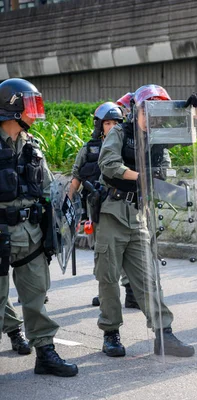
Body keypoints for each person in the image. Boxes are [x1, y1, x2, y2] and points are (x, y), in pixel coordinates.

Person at [96, 84, 197, 358]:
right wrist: (140, 176)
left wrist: (193, 113)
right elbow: (108, 164)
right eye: (149, 107)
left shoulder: (158, 137)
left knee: (149, 278)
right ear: (138, 109)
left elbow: (169, 164)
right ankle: (111, 334)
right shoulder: (120, 132)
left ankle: (163, 335)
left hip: (139, 214)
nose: (153, 114)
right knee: (108, 277)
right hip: (113, 211)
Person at [0, 78, 78, 376]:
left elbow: (48, 191)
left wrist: (55, 227)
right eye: (30, 105)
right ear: (12, 107)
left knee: (36, 296)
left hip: (30, 235)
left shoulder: (32, 147)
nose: (35, 112)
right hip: (0, 233)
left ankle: (45, 352)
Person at [69, 102, 139, 309]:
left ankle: (130, 290)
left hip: (123, 206)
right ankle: (106, 290)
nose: (111, 127)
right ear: (99, 125)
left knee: (126, 249)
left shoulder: (127, 146)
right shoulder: (88, 149)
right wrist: (67, 206)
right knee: (102, 250)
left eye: (116, 122)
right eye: (107, 123)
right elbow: (76, 178)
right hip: (96, 207)